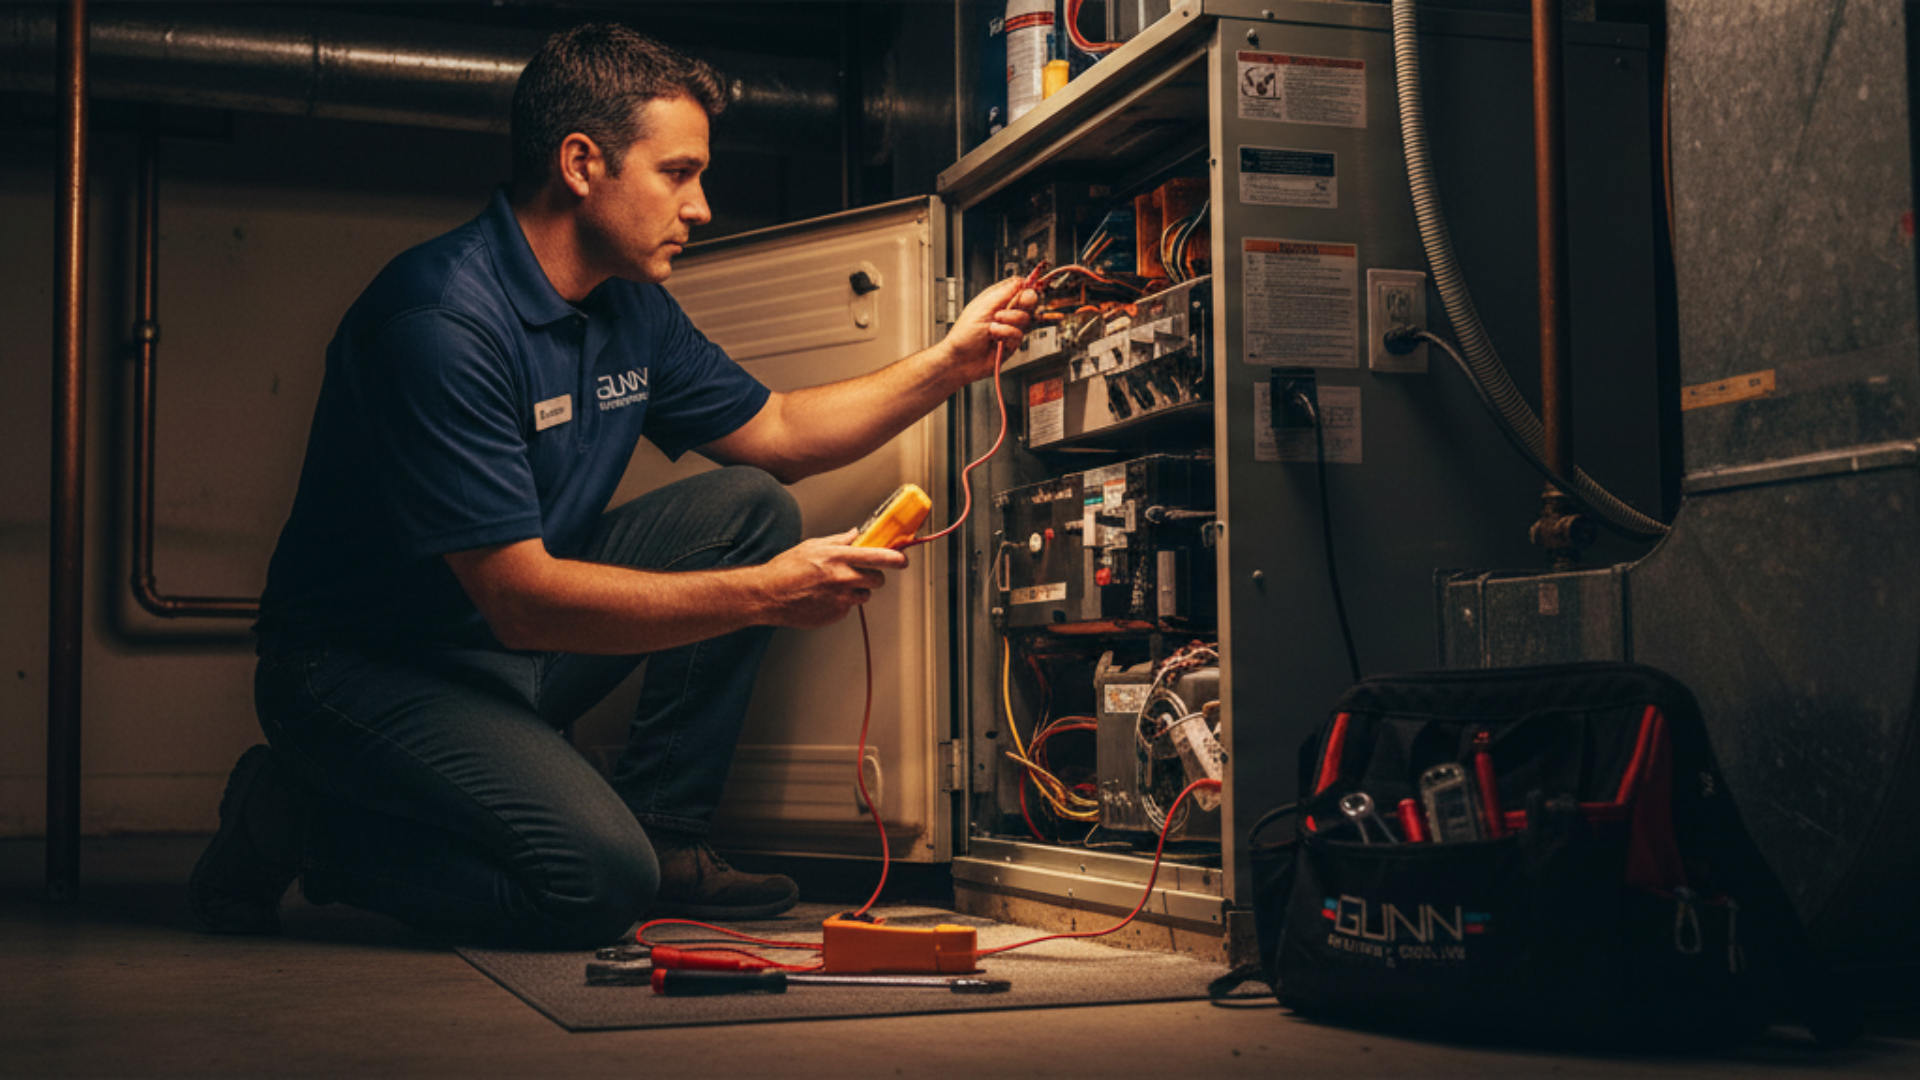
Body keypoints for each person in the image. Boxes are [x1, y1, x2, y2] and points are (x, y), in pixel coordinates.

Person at [188, 23, 1036, 949]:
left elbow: (781, 435)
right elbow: (519, 601)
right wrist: (768, 595)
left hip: (501, 647)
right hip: (364, 673)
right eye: (678, 173)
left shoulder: (626, 304)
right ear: (583, 163)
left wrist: (951, 364)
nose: (702, 206)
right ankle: (291, 822)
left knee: (748, 505)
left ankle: (668, 835)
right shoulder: (437, 321)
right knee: (591, 886)